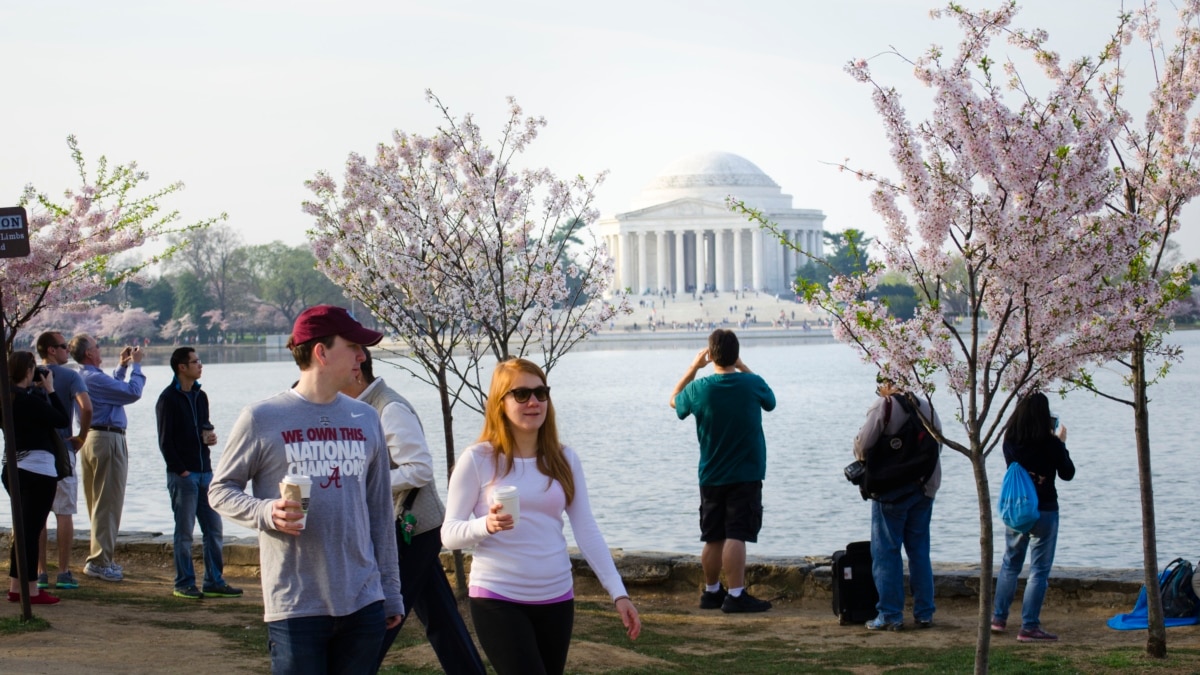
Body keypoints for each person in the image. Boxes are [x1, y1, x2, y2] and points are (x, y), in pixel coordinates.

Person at [209, 305, 403, 675]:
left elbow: (379, 512)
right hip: (296, 605)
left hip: (364, 602)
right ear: (321, 352)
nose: (362, 356)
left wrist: (391, 592)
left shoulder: (366, 418)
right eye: (353, 346)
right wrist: (267, 513)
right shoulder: (261, 417)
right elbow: (220, 490)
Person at [442, 358, 641, 675]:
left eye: (541, 393)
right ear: (500, 402)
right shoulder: (478, 459)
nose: (533, 402)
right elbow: (449, 533)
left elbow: (586, 529)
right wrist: (486, 525)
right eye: (521, 394)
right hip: (497, 596)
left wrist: (619, 593)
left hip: (557, 597)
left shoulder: (564, 459)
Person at [341, 347, 485, 674]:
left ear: (357, 369)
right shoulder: (360, 407)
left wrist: (364, 480)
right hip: (412, 528)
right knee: (441, 618)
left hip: (411, 530)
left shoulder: (389, 408)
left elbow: (420, 469)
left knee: (386, 611)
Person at [670, 329, 776, 613]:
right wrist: (742, 366)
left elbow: (674, 401)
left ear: (710, 355)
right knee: (736, 533)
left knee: (713, 535)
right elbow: (771, 401)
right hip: (745, 472)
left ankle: (712, 591)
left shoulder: (699, 388)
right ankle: (737, 595)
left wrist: (693, 367)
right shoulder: (751, 383)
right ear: (735, 354)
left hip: (711, 473)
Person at [852, 375, 942, 631]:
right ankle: (924, 612)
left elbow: (862, 445)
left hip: (891, 490)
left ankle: (890, 614)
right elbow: (938, 446)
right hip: (924, 487)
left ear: (888, 383)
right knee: (919, 550)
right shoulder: (928, 407)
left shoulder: (885, 405)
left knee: (886, 552)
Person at [155, 347, 241, 600]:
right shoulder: (167, 399)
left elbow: (205, 425)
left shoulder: (200, 395)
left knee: (214, 530)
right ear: (182, 367)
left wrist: (209, 436)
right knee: (184, 533)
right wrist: (180, 469)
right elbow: (165, 440)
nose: (200, 365)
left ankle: (214, 580)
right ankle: (183, 583)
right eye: (195, 361)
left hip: (205, 472)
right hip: (184, 475)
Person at [992, 392, 1074, 642]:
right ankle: (1029, 626)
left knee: (1010, 564)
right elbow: (1067, 473)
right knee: (1038, 570)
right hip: (1045, 509)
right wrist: (1061, 442)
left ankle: (998, 618)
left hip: (1017, 509)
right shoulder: (1050, 443)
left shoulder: (1010, 440)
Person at [71, 334, 145, 582]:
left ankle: (100, 558)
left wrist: (122, 366)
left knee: (97, 503)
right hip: (108, 439)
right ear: (89, 354)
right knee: (109, 502)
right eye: (97, 346)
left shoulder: (82, 377)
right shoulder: (93, 378)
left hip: (90, 439)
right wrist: (136, 365)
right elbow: (132, 393)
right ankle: (100, 562)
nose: (100, 349)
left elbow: (111, 390)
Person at [3, 351, 69, 605]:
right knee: (31, 530)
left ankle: (15, 587)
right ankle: (30, 590)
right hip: (38, 471)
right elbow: (61, 419)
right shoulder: (30, 401)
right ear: (30, 370)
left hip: (11, 469)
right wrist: (50, 390)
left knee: (22, 528)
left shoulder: (7, 398)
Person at [34, 331, 92, 591]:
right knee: (64, 512)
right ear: (49, 350)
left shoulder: (28, 374)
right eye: (62, 347)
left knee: (38, 515)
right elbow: (87, 408)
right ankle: (64, 571)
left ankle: (41, 571)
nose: (67, 350)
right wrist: (81, 436)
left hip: (34, 451)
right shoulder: (71, 376)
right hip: (62, 449)